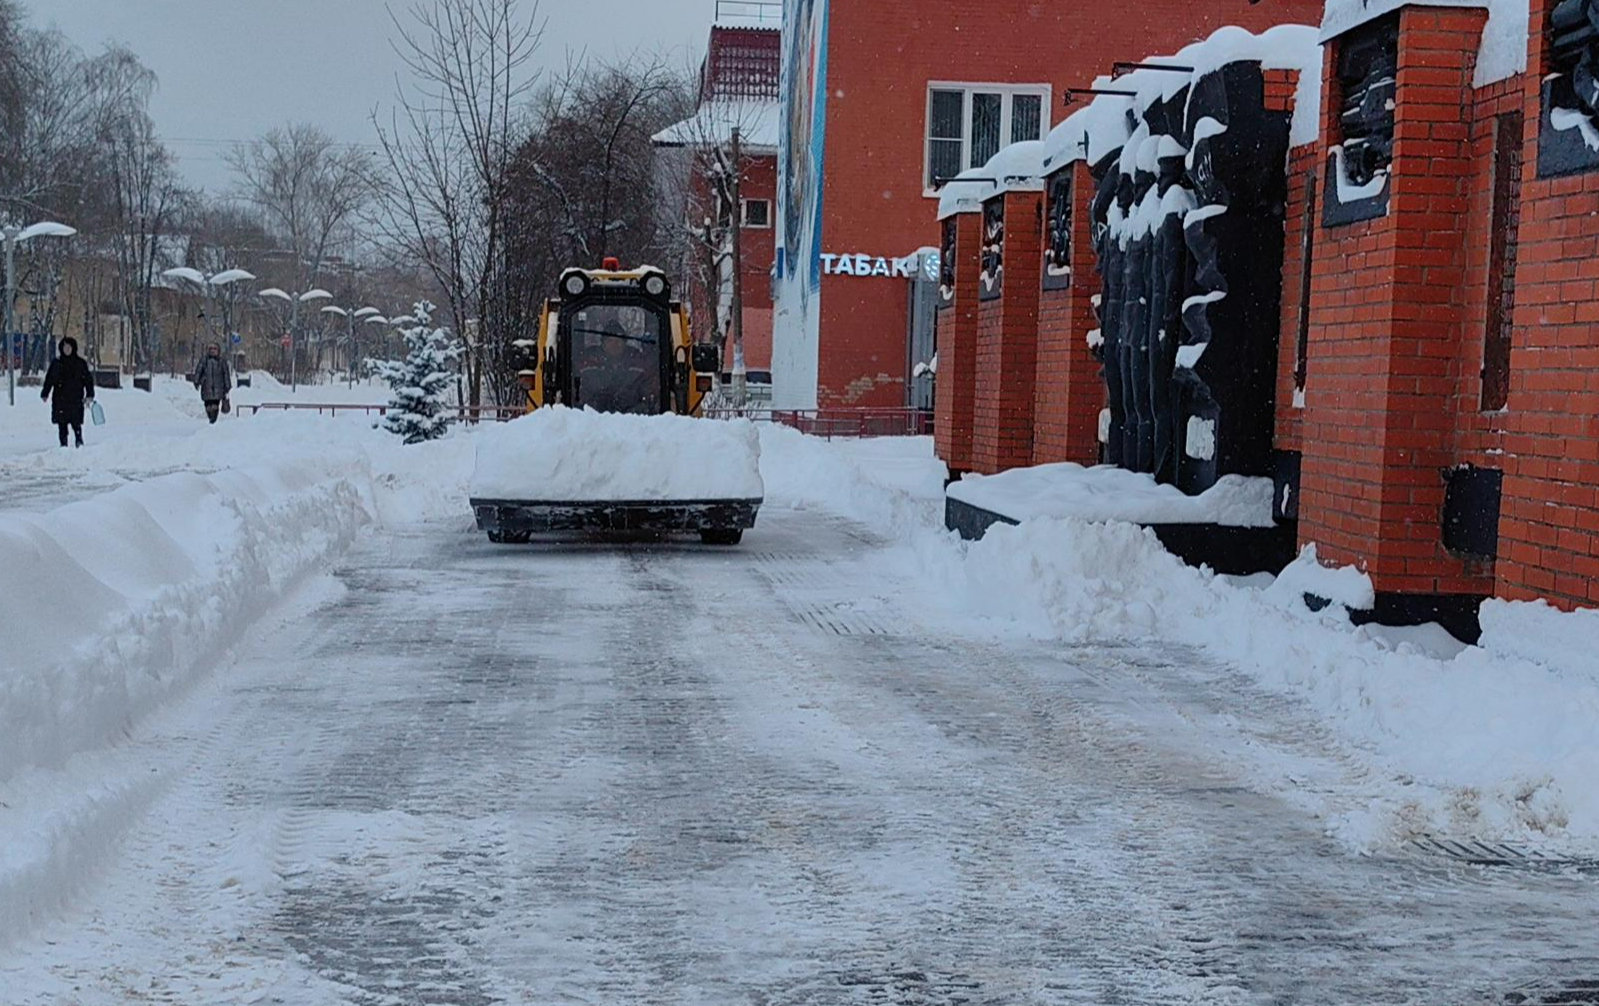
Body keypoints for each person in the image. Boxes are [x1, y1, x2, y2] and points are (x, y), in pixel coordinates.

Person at [40, 337, 95, 448]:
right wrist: (45, 393)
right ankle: (63, 443)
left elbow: (88, 380)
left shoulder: (80, 364)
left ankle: (79, 441)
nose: (67, 349)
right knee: (62, 423)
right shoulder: (57, 363)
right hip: (60, 398)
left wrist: (90, 394)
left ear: (73, 348)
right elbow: (49, 379)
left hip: (75, 397)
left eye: (69, 347)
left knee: (76, 422)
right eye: (65, 347)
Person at [191, 343, 232, 424]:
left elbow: (226, 374)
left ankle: (213, 421)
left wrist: (227, 386)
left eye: (215, 349)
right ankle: (211, 418)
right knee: (208, 406)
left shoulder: (222, 361)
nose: (213, 351)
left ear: (218, 350)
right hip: (206, 388)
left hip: (218, 389)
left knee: (215, 406)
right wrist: (196, 381)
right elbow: (199, 371)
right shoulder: (204, 360)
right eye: (211, 349)